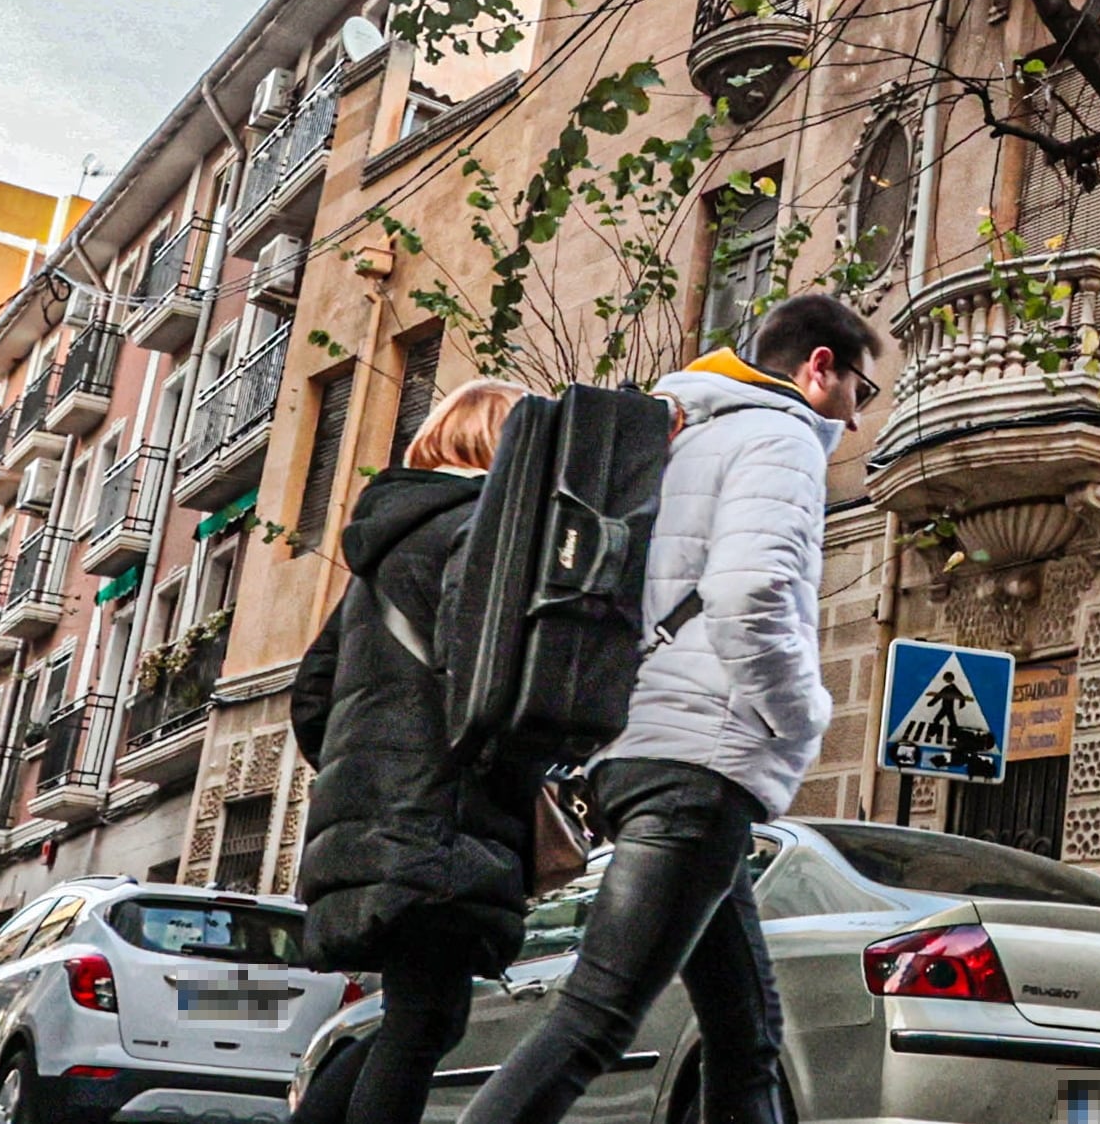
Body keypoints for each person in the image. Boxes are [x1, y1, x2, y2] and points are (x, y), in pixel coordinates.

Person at [452, 294, 884, 1124]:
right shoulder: (782, 436)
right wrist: (800, 720)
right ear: (817, 367)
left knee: (746, 1033)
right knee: (596, 1017)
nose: (858, 420)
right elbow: (751, 591)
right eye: (861, 392)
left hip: (638, 746)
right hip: (700, 760)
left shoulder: (681, 434)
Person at [287, 374, 543, 1124]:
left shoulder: (381, 553)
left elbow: (312, 694)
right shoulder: (478, 528)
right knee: (424, 1020)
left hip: (385, 819)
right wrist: (505, 771)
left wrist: (363, 777)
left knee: (420, 1015)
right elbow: (477, 676)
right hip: (441, 817)